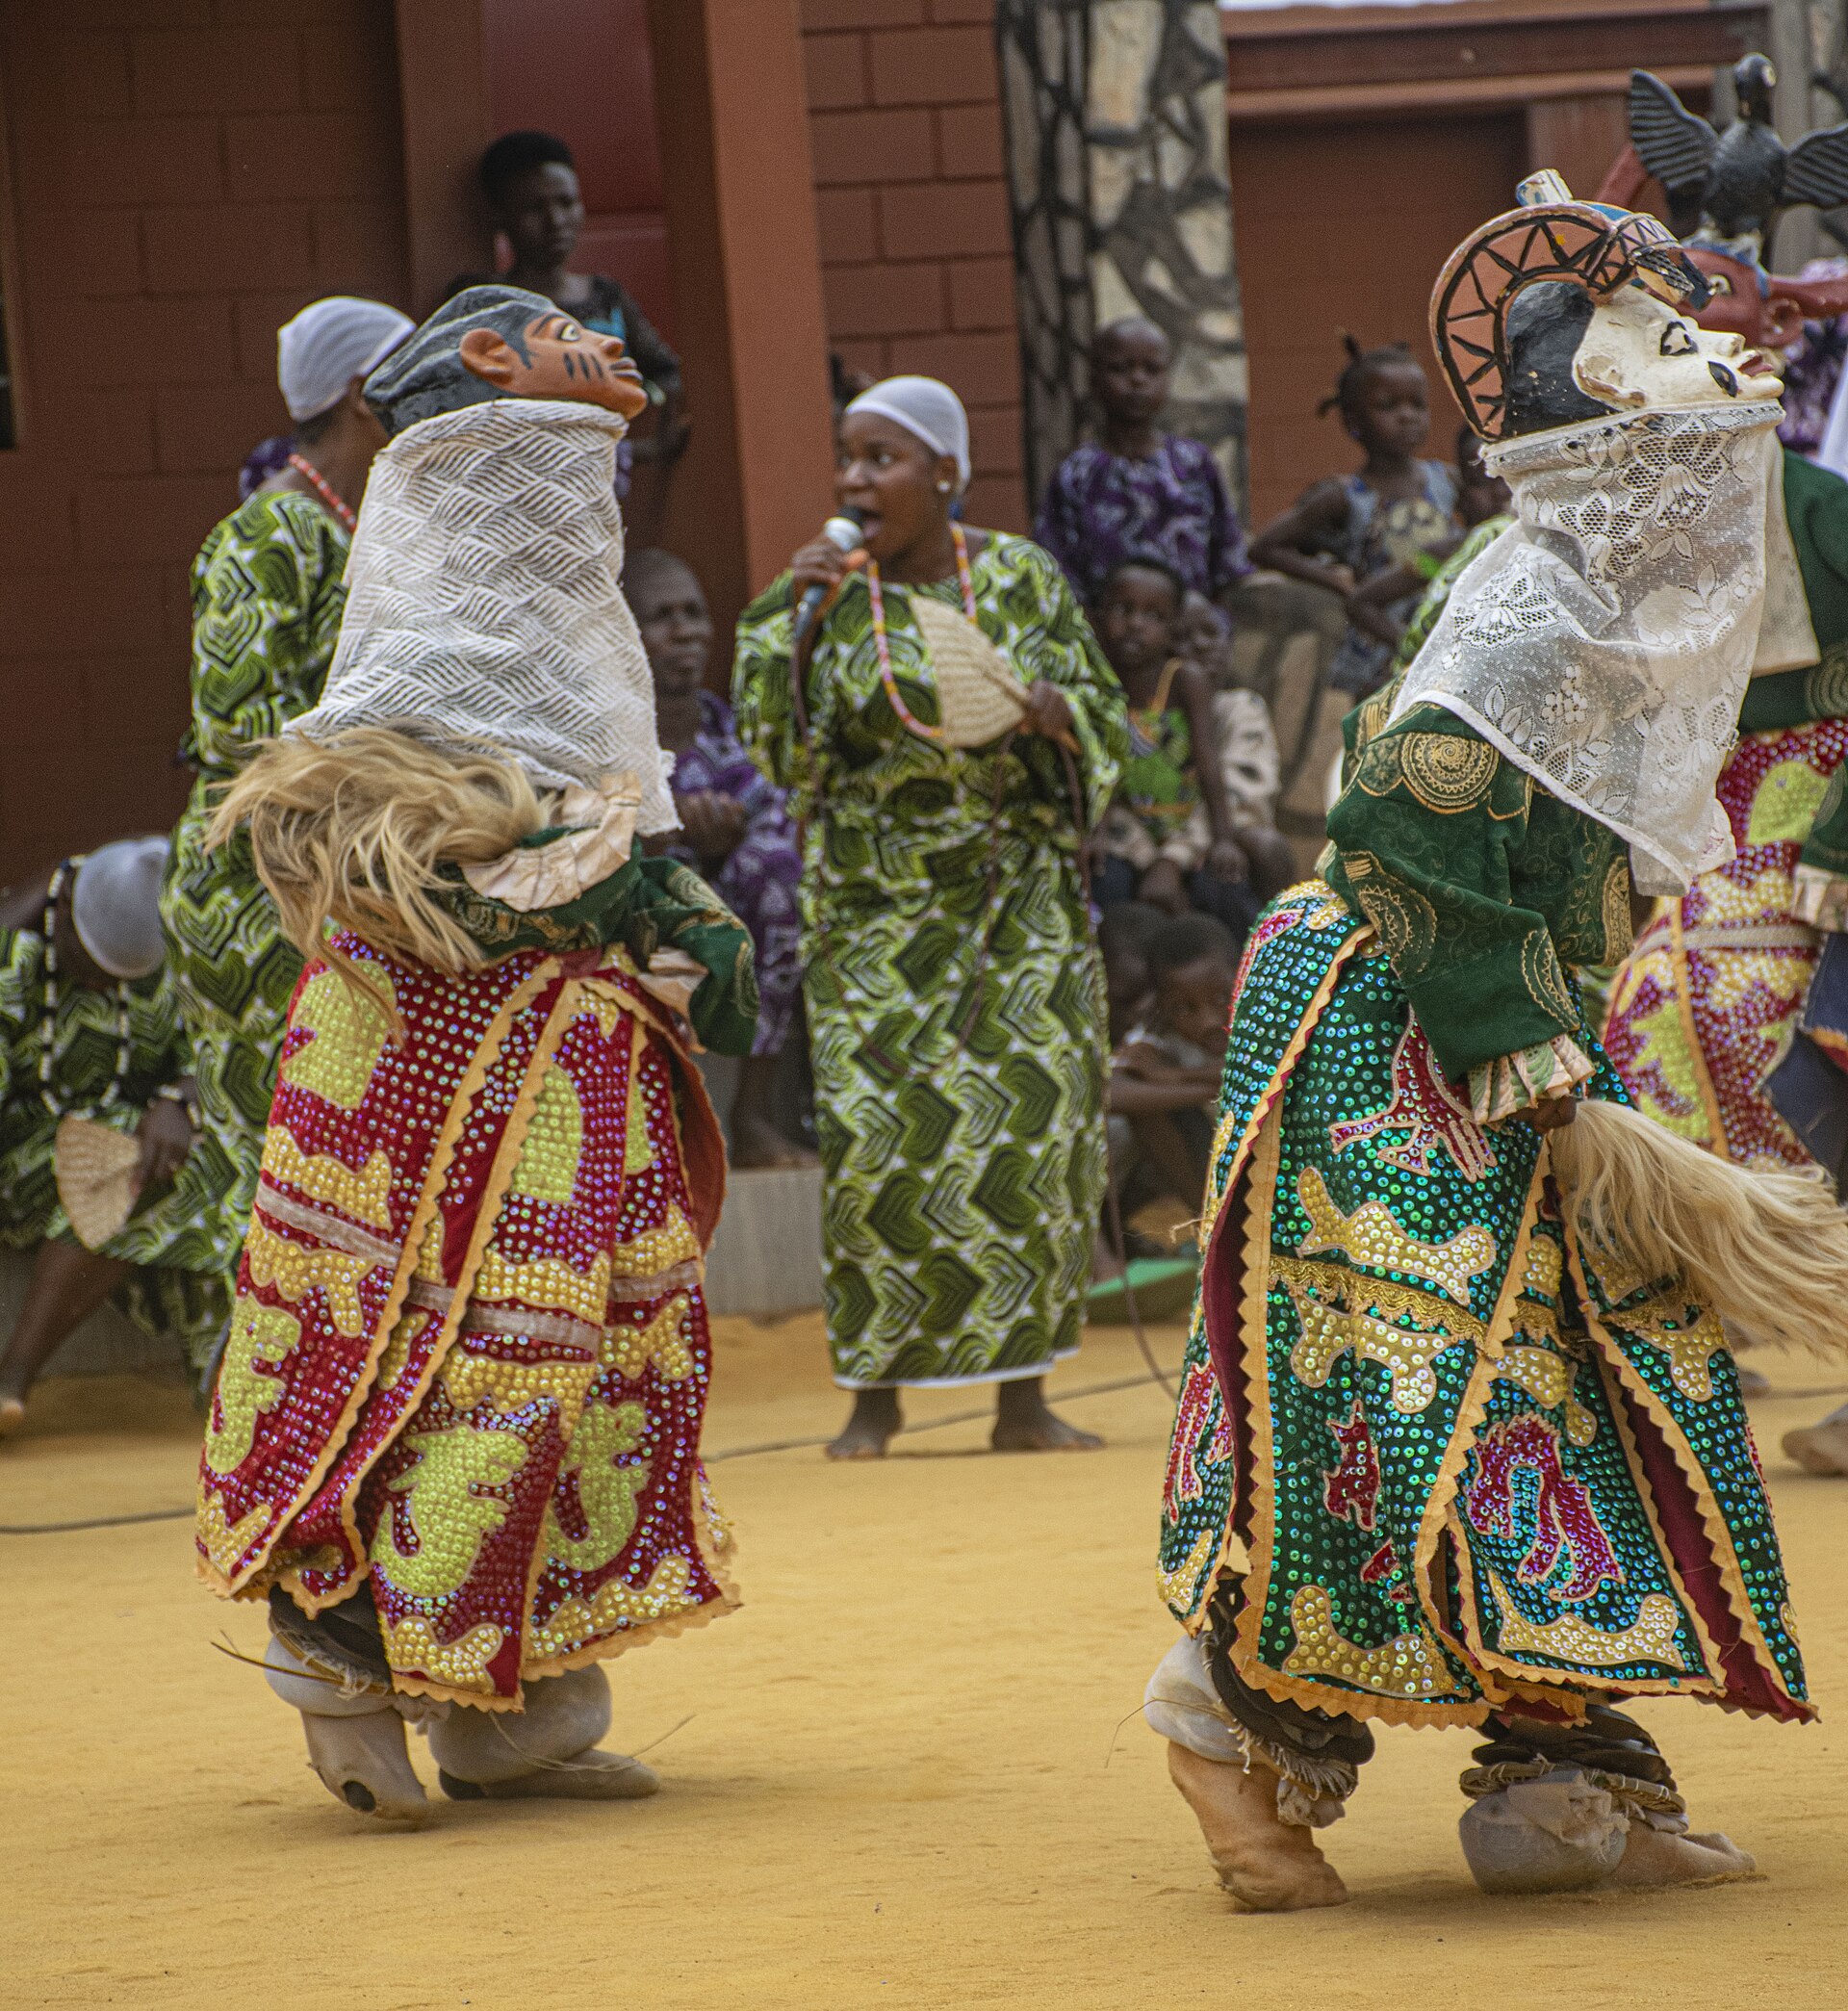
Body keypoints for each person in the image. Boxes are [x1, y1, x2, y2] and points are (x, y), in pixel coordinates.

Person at [1147, 183, 1834, 1913]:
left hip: (1509, 1033)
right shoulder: (1536, 600)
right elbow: (1396, 817)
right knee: (1405, 1399)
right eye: (1697, 446)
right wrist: (1520, 1046)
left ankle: (1570, 1770)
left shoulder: (1613, 587)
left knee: (1594, 1382)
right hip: (1393, 1029)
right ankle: (1224, 1732)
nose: (1727, 483)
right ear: (1616, 460)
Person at [194, 285, 755, 1825]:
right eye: (563, 468)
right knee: (435, 1352)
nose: (589, 499)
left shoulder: (559, 636)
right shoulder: (430, 654)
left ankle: (513, 1694)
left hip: (555, 1079)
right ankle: (347, 1644)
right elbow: (489, 868)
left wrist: (684, 918)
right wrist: (635, 891)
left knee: (590, 1358)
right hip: (430, 1085)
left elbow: (612, 838)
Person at [734, 374, 1129, 1459]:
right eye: (849, 459)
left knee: (1028, 1132)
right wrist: (801, 632)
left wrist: (1060, 719)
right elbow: (776, 749)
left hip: (1016, 909)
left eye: (882, 457)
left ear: (946, 471)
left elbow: (1102, 718)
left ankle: (1021, 1401)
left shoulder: (1016, 578)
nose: (856, 480)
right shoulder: (810, 598)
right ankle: (876, 1399)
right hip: (877, 918)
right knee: (881, 1154)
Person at [1595, 242, 1848, 1470]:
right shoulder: (1633, 532)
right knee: (1642, 1013)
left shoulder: (1832, 516)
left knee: (1756, 1008)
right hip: (1703, 828)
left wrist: (1840, 840)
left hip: (1826, 820)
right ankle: (1694, 1330)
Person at [161, 296, 412, 1371]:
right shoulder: (266, 533)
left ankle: (301, 1416)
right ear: (362, 396)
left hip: (330, 885)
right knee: (272, 1158)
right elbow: (232, 730)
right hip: (256, 896)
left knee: (331, 1154)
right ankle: (252, 1419)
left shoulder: (356, 526)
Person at [0, 840, 224, 1436]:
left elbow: (219, 1053)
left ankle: (226, 1397)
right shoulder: (12, 958)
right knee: (128, 1160)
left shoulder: (175, 957)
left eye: (122, 975)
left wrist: (180, 1098)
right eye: (91, 964)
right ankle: (12, 1378)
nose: (102, 985)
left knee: (208, 1172)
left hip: (131, 1152)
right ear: (65, 911)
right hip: (24, 1155)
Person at [628, 546, 811, 1168]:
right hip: (642, 917)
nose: (686, 631)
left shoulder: (725, 729)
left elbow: (772, 812)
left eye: (695, 613)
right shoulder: (609, 735)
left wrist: (726, 835)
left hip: (730, 915)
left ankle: (754, 1114)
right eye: (663, 616)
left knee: (781, 874)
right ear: (627, 632)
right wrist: (669, 830)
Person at [456, 130, 686, 481]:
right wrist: (641, 452)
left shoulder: (607, 297)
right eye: (535, 208)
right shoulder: (484, 300)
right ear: (499, 215)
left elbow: (667, 371)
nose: (556, 222)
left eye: (567, 203)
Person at [1248, 338, 1461, 699]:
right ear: (1353, 421)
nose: (1406, 415)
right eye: (1387, 406)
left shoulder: (1448, 481)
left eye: (1417, 405)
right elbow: (1265, 548)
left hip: (1442, 632)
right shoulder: (1346, 497)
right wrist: (1336, 583)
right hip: (1378, 642)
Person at [1034, 317, 1250, 609]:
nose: (1138, 380)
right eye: (1120, 369)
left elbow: (1226, 565)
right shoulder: (1076, 474)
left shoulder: (1194, 465)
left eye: (1152, 370)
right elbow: (1056, 573)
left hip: (1186, 639)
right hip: (1104, 644)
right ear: (1094, 381)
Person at [1090, 556, 1257, 935]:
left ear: (1172, 628)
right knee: (1106, 884)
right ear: (1099, 616)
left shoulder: (1184, 680)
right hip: (1129, 829)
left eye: (1154, 616)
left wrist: (1223, 840)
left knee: (1221, 889)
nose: (1135, 624)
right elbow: (1107, 769)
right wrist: (1096, 834)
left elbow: (1208, 763)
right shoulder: (1100, 684)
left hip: (1186, 823)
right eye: (1122, 609)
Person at [1173, 590, 1297, 903]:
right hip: (1162, 839)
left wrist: (1179, 854)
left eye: (1211, 633)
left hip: (1217, 840)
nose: (1201, 645)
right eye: (1183, 636)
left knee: (1265, 846)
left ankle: (1275, 941)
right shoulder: (1155, 714)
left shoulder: (1242, 707)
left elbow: (1242, 799)